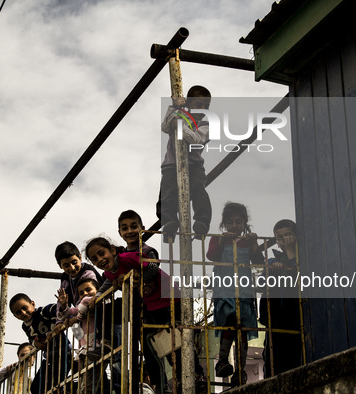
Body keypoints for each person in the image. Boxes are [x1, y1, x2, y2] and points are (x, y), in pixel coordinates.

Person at [85, 237, 180, 394]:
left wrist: (133, 275)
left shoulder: (128, 258)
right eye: (94, 259)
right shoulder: (109, 273)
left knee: (172, 341)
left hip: (167, 298)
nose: (100, 259)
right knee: (150, 345)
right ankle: (161, 386)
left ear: (112, 250)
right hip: (150, 305)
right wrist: (98, 296)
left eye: (102, 254)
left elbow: (153, 268)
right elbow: (107, 283)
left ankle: (191, 375)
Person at [206, 202, 263, 388]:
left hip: (244, 289)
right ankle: (222, 361)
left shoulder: (247, 241)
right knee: (229, 319)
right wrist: (223, 241)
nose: (234, 226)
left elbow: (257, 261)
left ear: (245, 223)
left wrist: (254, 243)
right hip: (225, 287)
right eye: (230, 222)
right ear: (224, 224)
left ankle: (241, 371)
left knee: (243, 328)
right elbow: (211, 255)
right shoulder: (218, 238)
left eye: (238, 222)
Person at [156, 85, 212, 238]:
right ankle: (169, 223)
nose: (202, 109)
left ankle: (202, 222)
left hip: (194, 166)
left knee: (199, 192)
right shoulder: (179, 115)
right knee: (166, 196)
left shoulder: (205, 125)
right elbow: (166, 127)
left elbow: (196, 139)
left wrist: (179, 125)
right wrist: (174, 108)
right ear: (189, 104)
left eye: (206, 106)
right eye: (198, 105)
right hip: (171, 165)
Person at [258, 219, 302, 377]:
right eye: (280, 238)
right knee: (273, 363)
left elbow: (300, 280)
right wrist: (271, 271)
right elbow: (261, 283)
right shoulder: (272, 260)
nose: (285, 241)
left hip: (296, 319)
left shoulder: (304, 259)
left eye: (288, 235)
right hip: (276, 320)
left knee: (296, 362)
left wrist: (291, 253)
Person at [9, 293, 71, 394]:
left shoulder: (42, 312)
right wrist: (35, 344)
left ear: (32, 304)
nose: (23, 313)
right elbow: (31, 339)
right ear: (15, 316)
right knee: (35, 388)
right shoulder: (25, 326)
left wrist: (53, 328)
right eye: (18, 312)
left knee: (54, 384)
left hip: (63, 352)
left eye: (25, 308)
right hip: (49, 358)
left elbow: (56, 310)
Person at [55, 241, 104, 311]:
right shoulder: (65, 277)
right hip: (81, 312)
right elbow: (63, 300)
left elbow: (87, 299)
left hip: (99, 310)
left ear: (80, 257)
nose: (72, 268)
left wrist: (75, 317)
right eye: (66, 265)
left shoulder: (88, 271)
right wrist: (60, 320)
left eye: (74, 262)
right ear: (60, 266)